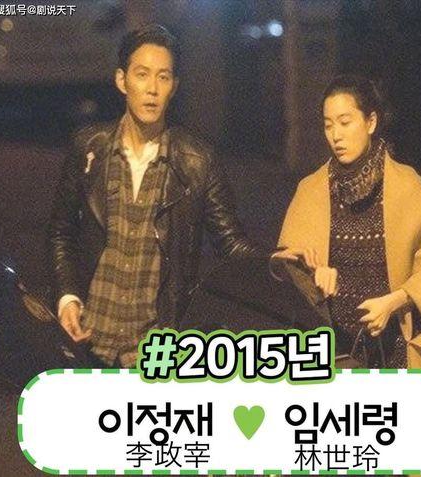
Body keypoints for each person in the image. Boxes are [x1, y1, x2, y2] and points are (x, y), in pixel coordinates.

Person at [49, 24, 272, 367]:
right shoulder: (89, 146)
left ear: (174, 86)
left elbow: (231, 244)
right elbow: (61, 231)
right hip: (88, 344)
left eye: (163, 77)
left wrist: (280, 261)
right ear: (122, 80)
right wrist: (68, 297)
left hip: (155, 353)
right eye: (142, 74)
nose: (152, 88)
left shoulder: (197, 161)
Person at [278, 75, 421, 374]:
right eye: (328, 125)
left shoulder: (405, 186)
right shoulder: (311, 190)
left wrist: (394, 301)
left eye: (345, 122)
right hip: (334, 351)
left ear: (371, 122)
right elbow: (285, 265)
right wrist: (312, 274)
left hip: (394, 351)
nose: (336, 135)